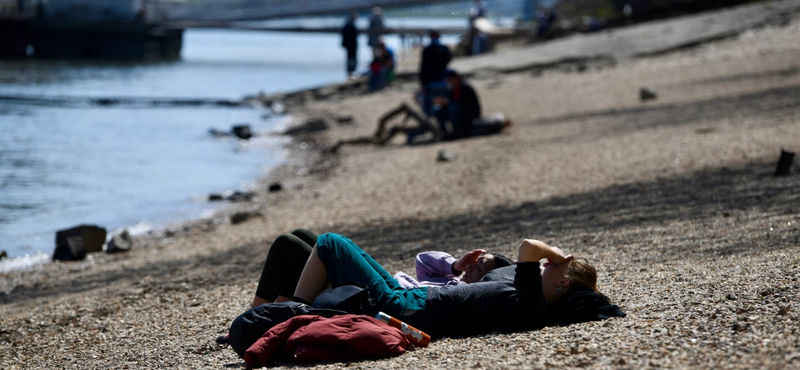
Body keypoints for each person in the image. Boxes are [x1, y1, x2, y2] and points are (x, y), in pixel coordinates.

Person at [291, 233, 624, 338]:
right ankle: (269, 316)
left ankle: (288, 316)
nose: (548, 263)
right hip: (411, 296)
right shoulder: (526, 287)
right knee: (301, 244)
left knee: (331, 243)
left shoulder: (532, 306)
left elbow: (527, 247)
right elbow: (507, 261)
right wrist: (458, 265)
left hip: (408, 309)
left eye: (555, 267)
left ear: (563, 285)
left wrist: (557, 254)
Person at [250, 229, 513, 308]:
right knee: (304, 237)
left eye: (479, 269)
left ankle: (269, 316)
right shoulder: (451, 280)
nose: (473, 268)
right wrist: (455, 265)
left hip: (391, 296)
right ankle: (275, 309)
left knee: (293, 244)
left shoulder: (461, 294)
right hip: (390, 288)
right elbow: (422, 261)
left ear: (485, 282)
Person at [419, 29, 452, 115]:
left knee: (429, 107)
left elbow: (423, 68)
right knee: (443, 105)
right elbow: (448, 60)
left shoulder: (427, 50)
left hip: (431, 83)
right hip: (443, 82)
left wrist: (422, 83)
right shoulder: (444, 48)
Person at [341, 12, 359, 78]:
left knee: (350, 59)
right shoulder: (350, 25)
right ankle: (351, 72)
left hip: (350, 46)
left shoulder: (348, 24)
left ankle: (350, 72)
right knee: (352, 59)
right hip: (351, 46)